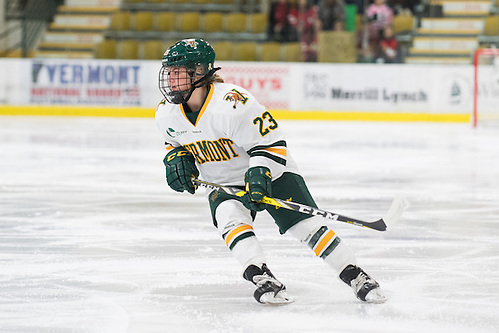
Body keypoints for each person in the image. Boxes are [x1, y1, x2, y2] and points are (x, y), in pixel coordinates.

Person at [155, 38, 386, 305]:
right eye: (168, 72)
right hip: (224, 183)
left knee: (306, 226)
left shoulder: (232, 103)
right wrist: (176, 160)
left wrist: (259, 173)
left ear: (198, 72)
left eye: (176, 71)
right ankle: (261, 276)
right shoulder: (166, 114)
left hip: (271, 172)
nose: (170, 78)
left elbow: (272, 144)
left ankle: (354, 274)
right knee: (230, 219)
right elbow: (174, 143)